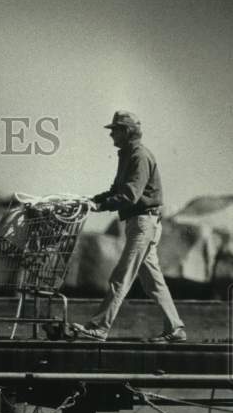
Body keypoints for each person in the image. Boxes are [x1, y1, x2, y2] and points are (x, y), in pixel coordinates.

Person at [71, 111, 187, 343]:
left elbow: (130, 195)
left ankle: (99, 328)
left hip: (143, 223)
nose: (111, 134)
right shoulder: (128, 154)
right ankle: (175, 329)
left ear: (126, 131)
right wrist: (91, 200)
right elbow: (116, 190)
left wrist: (99, 206)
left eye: (114, 130)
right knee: (153, 282)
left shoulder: (139, 155)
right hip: (141, 223)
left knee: (120, 277)